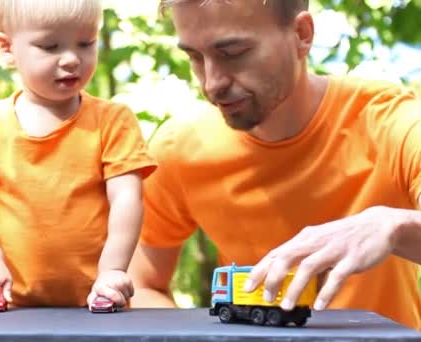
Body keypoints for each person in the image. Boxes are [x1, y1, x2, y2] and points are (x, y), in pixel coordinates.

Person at [129, 0, 421, 329]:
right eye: (195, 57)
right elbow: (140, 285)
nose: (211, 83)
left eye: (233, 52)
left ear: (302, 34)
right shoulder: (179, 149)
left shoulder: (390, 122)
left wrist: (394, 226)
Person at [0, 0, 156, 310]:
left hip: (99, 306)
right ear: (7, 48)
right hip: (14, 309)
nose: (71, 59)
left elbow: (126, 200)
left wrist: (112, 271)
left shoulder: (113, 121)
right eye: (50, 45)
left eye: (86, 43)